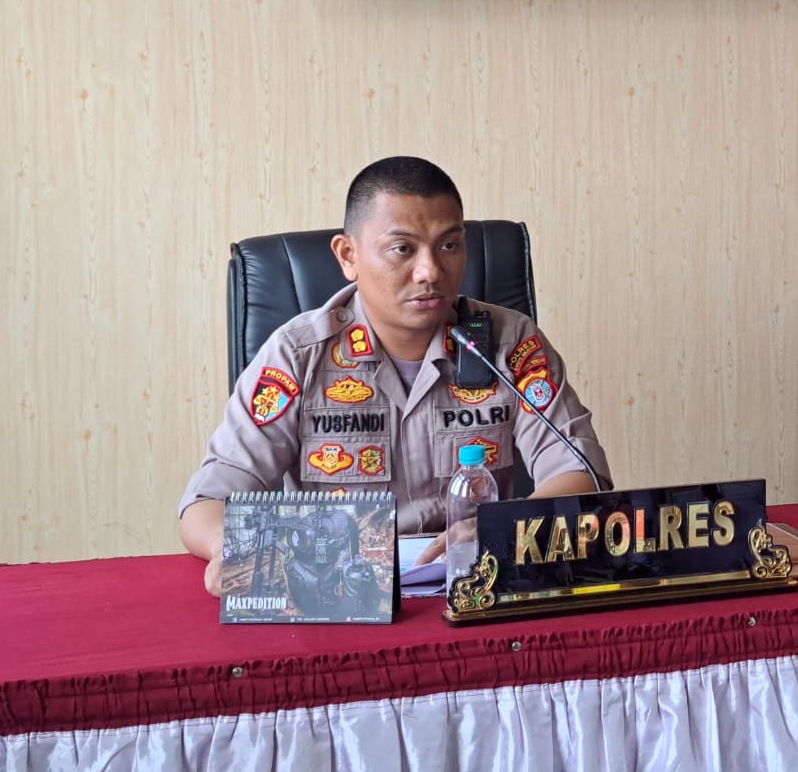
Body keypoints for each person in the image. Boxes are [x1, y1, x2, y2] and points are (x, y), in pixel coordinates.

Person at [179, 156, 612, 596]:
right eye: (403, 249)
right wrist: (229, 547)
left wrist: (500, 530)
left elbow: (583, 476)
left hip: (474, 586)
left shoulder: (509, 343)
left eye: (449, 245)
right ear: (348, 256)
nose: (431, 271)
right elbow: (207, 503)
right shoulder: (298, 355)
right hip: (344, 598)